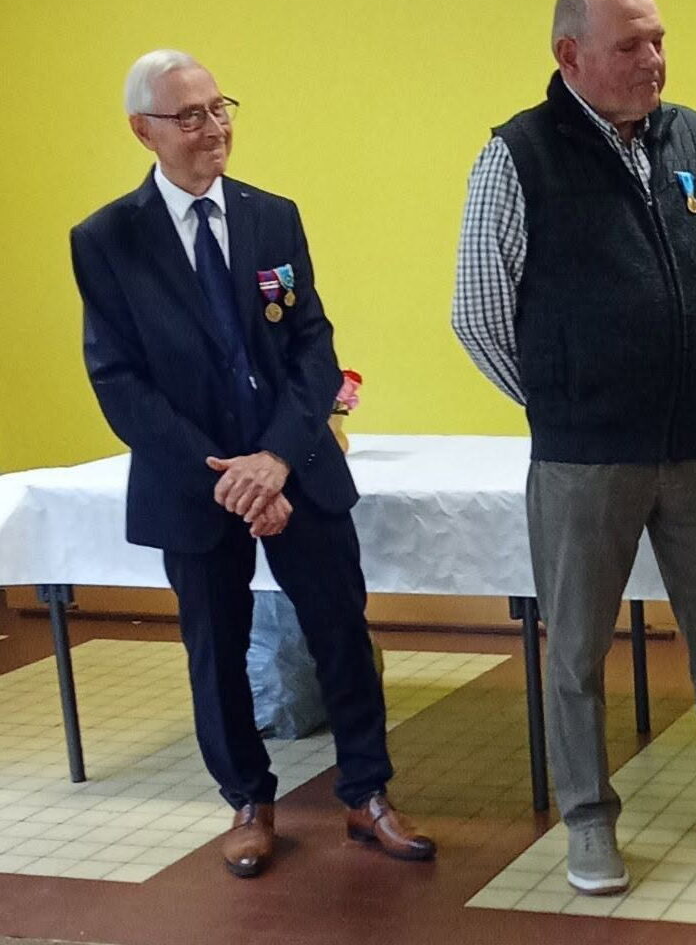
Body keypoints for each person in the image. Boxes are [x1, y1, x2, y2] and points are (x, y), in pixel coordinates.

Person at [452, 0, 696, 895]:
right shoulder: (517, 155)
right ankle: (586, 820)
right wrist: (563, 401)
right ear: (569, 55)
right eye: (630, 45)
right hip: (584, 456)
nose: (653, 60)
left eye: (659, 40)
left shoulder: (695, 137)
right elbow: (479, 310)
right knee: (576, 646)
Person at [70, 50, 434, 879]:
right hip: (193, 487)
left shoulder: (274, 216)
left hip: (296, 467)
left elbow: (312, 346)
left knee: (342, 630)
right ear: (143, 131)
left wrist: (273, 459)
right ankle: (248, 800)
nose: (214, 127)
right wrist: (227, 478)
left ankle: (366, 793)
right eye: (189, 116)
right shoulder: (106, 240)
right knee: (215, 644)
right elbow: (117, 379)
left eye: (220, 107)